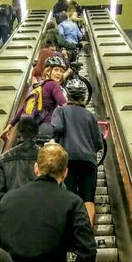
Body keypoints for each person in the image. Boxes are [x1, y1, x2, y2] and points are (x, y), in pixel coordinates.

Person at [51, 79, 103, 226]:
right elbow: (99, 143)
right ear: (84, 96)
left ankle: (72, 234)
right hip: (89, 161)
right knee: (88, 199)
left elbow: (57, 129)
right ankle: (88, 232)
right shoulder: (90, 115)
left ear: (67, 95)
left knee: (70, 196)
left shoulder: (60, 111)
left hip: (68, 160)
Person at [0, 56, 67, 145]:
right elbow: (63, 103)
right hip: (47, 129)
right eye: (56, 70)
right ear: (48, 71)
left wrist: (9, 127)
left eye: (61, 71)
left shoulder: (36, 86)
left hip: (29, 131)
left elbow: (24, 108)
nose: (59, 73)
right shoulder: (54, 85)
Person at [0, 116, 39, 211]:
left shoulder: (3, 159)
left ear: (18, 135)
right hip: (40, 213)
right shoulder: (47, 157)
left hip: (12, 212)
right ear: (37, 134)